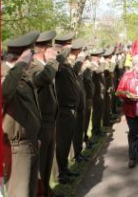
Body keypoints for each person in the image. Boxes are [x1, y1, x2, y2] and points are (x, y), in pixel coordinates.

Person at [1, 31, 41, 196]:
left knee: (30, 190)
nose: (33, 58)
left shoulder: (20, 74)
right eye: (31, 54)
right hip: (18, 145)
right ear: (21, 55)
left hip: (29, 141)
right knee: (20, 192)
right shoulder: (4, 73)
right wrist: (20, 65)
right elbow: (5, 93)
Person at [27, 30, 61, 197]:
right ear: (43, 49)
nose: (54, 51)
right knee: (41, 162)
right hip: (40, 122)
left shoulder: (45, 65)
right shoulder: (33, 66)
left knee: (48, 160)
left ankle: (47, 191)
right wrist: (53, 61)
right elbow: (45, 79)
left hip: (49, 120)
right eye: (50, 47)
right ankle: (41, 192)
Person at [54, 32, 82, 184]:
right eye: (68, 45)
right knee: (63, 142)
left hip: (71, 107)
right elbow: (56, 64)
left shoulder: (65, 62)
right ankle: (61, 173)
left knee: (66, 142)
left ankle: (65, 169)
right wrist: (64, 51)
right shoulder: (57, 60)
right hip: (63, 108)